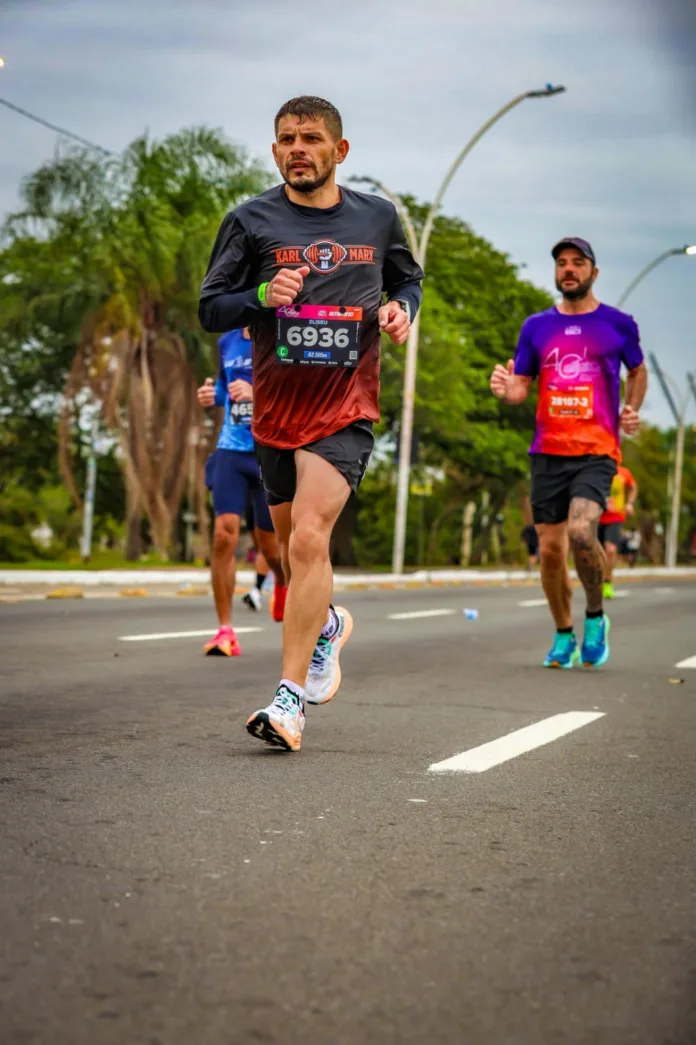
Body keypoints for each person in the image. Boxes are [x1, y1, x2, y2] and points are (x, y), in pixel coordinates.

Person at [199, 95, 423, 751]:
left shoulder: (377, 218)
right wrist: (263, 295)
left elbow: (406, 278)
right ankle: (325, 624)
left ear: (339, 151)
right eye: (287, 139)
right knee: (298, 553)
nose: (298, 147)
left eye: (311, 137)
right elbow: (212, 306)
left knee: (308, 542)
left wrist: (399, 309)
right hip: (275, 410)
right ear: (275, 152)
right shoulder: (249, 221)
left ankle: (288, 702)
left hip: (345, 403)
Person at [490, 237, 647, 668]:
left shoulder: (618, 324)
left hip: (597, 449)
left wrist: (631, 408)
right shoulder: (536, 327)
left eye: (578, 263)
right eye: (562, 263)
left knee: (582, 532)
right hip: (548, 450)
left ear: (594, 272)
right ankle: (564, 633)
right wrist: (507, 389)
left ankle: (595, 617)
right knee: (552, 551)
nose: (569, 269)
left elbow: (637, 371)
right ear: (556, 273)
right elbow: (521, 386)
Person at [198, 327, 287, 656]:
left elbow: (297, 392)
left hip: (269, 451)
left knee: (270, 547)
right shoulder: (228, 340)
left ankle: (279, 581)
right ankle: (225, 630)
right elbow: (224, 388)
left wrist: (256, 393)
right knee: (224, 534)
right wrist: (213, 396)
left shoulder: (284, 333)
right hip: (231, 449)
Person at [598, 463, 637, 599]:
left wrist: (629, 503)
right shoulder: (595, 469)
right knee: (595, 552)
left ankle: (607, 582)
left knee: (611, 550)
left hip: (615, 516)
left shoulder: (623, 473)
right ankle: (596, 581)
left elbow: (633, 487)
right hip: (596, 516)